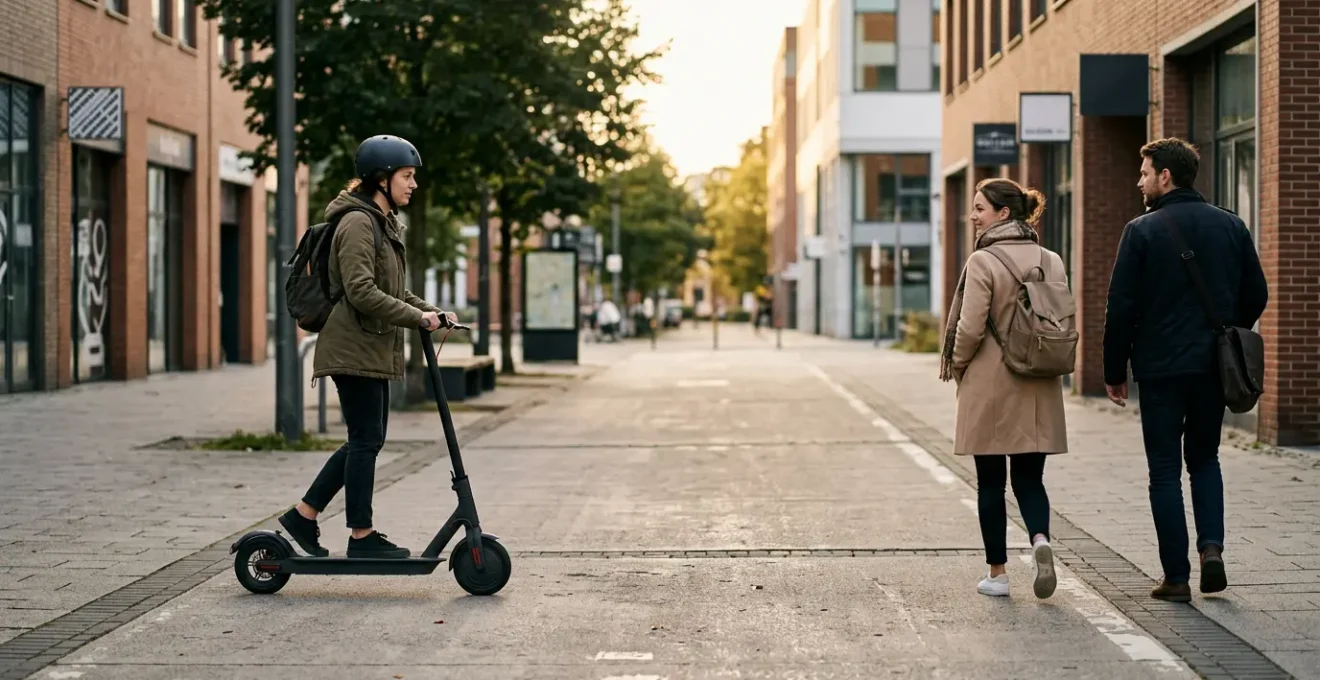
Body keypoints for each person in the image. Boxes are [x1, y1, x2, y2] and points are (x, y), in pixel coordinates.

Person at [1102, 138, 1268, 602]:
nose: (1139, 180)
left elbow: (1121, 309)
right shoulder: (1231, 226)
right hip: (1213, 367)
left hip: (1159, 370)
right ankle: (1211, 550)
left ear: (1165, 177)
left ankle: (1176, 578)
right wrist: (1229, 332)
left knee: (1163, 471)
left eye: (1144, 172)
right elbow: (1257, 293)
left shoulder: (1141, 231)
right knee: (1205, 459)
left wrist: (1114, 370)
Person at [277, 135, 456, 560]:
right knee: (365, 440)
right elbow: (360, 290)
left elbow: (394, 289)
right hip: (351, 347)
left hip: (369, 346)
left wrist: (433, 312)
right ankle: (361, 536)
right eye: (407, 177)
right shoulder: (358, 223)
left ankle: (304, 516)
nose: (413, 185)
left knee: (366, 440)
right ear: (382, 178)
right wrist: (417, 320)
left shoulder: (383, 222)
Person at [939, 177, 1068, 600]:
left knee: (991, 483)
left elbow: (970, 326)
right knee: (1030, 480)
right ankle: (1040, 540)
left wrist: (957, 364)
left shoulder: (983, 261)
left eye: (979, 208)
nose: (972, 216)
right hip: (1038, 381)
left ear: (1003, 214)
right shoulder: (1052, 259)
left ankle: (997, 574)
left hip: (991, 383)